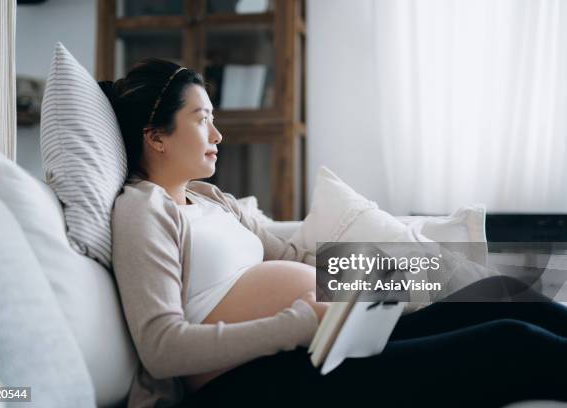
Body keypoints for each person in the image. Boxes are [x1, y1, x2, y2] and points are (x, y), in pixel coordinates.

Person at [104, 59, 567, 408]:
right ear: (156, 135)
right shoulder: (142, 210)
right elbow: (162, 348)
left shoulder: (211, 201)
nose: (217, 133)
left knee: (502, 292)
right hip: (252, 382)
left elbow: (293, 258)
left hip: (325, 342)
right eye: (202, 118)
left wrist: (388, 279)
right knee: (509, 344)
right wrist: (299, 325)